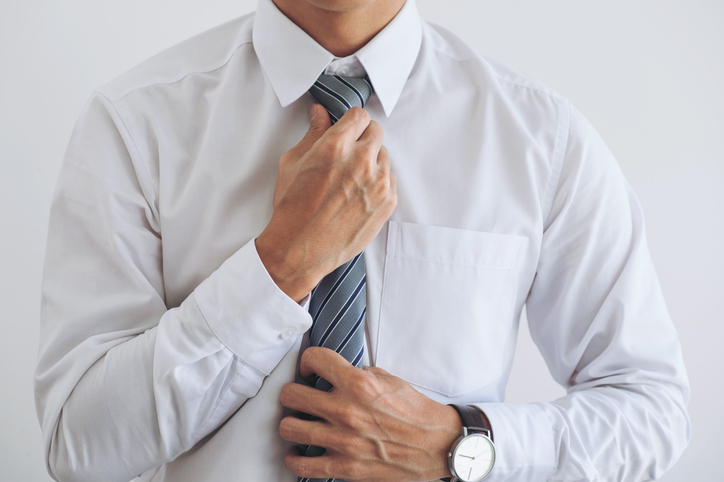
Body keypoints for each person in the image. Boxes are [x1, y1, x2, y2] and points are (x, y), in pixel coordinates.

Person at [34, 0, 690, 481]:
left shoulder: (539, 139)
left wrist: (464, 446)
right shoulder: (134, 125)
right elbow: (81, 447)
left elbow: (652, 412)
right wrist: (280, 266)